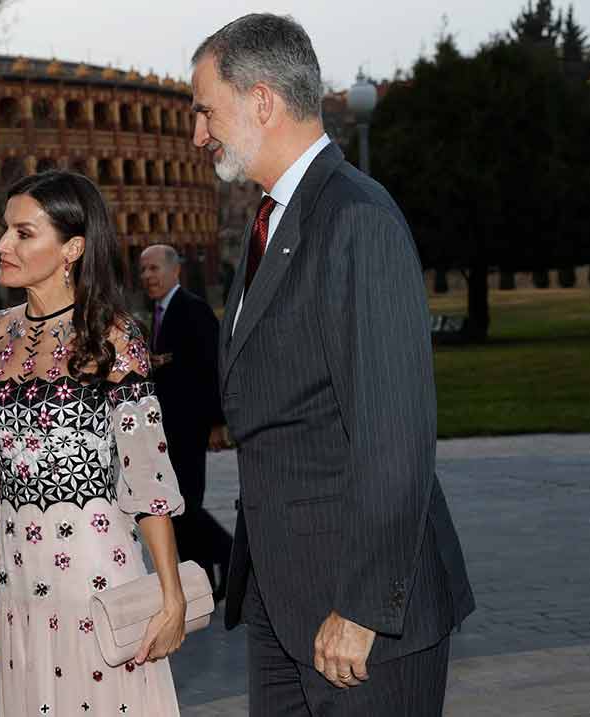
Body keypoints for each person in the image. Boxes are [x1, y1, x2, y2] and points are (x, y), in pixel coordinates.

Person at [190, 14, 475, 716]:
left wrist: (364, 605)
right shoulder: (274, 221)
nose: (198, 134)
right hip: (281, 603)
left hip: (359, 616)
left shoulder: (356, 218)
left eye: (204, 110)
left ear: (262, 100)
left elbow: (395, 432)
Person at [0, 170, 186, 716]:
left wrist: (171, 594)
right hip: (18, 578)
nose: (2, 245)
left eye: (22, 233)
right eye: (4, 230)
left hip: (95, 575)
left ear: (73, 248)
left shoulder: (113, 335)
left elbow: (147, 475)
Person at [139, 244, 233, 600]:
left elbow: (214, 368)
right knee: (177, 507)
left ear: (175, 270)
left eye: (154, 269)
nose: (148, 276)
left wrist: (215, 423)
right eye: (143, 270)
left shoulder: (192, 309)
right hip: (167, 430)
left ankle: (230, 554)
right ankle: (203, 581)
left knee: (185, 506)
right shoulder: (158, 312)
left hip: (191, 427)